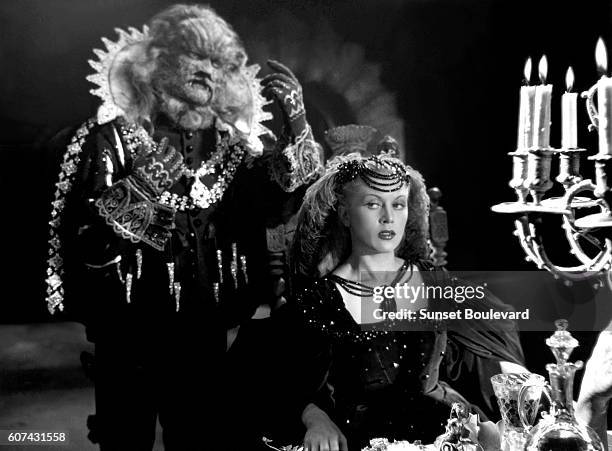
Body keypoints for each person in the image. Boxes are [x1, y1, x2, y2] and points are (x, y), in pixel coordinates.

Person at [44, 4, 323, 450]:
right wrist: (139, 189)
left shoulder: (233, 145)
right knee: (124, 438)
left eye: (217, 62)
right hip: (127, 330)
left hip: (204, 332)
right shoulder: (111, 137)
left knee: (199, 438)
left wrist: (297, 125)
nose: (208, 72)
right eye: (196, 56)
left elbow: (283, 201)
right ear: (159, 62)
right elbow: (88, 243)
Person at [279, 125, 526, 451]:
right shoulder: (320, 299)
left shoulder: (432, 279)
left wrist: (519, 384)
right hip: (370, 438)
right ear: (345, 215)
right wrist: (314, 416)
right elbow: (285, 381)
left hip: (448, 428)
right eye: (372, 204)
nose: (388, 218)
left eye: (398, 204)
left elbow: (478, 347)